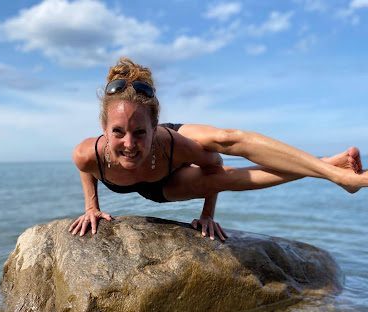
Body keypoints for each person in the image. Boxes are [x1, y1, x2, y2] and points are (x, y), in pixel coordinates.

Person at [69, 58, 365, 240]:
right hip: (160, 186)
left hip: (170, 157)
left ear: (155, 126)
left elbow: (214, 164)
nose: (129, 144)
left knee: (225, 145)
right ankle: (328, 165)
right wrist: (91, 207)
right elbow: (86, 170)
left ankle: (338, 177)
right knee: (224, 178)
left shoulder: (173, 143)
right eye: (118, 132)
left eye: (139, 133)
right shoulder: (87, 154)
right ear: (104, 128)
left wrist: (207, 214)